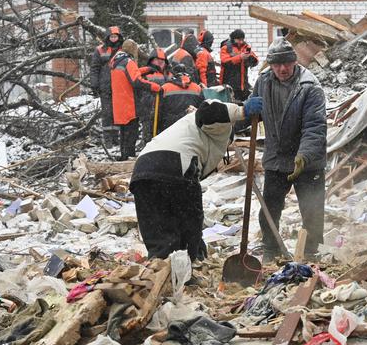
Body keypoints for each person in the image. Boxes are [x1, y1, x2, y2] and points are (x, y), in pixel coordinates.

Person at [130, 98, 263, 260]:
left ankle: (162, 271)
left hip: (142, 172)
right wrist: (242, 111)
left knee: (159, 234)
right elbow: (207, 113)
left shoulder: (186, 128)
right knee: (188, 226)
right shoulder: (215, 121)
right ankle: (189, 266)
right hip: (176, 167)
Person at [250, 39, 327, 262]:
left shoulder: (309, 87)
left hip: (307, 159)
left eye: (287, 63)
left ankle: (310, 252)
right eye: (277, 65)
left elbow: (314, 127)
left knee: (311, 208)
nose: (283, 69)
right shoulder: (264, 81)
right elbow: (253, 110)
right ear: (271, 65)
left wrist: (303, 156)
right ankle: (270, 249)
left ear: (294, 62)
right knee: (269, 207)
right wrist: (244, 112)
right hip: (276, 157)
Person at [90, 26, 124, 146]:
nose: (114, 39)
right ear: (108, 37)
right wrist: (94, 84)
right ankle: (108, 139)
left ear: (119, 37)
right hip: (105, 86)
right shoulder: (100, 50)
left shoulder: (124, 49)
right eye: (112, 36)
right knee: (107, 113)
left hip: (120, 87)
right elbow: (94, 68)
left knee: (117, 112)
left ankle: (116, 138)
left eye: (116, 36)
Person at [109, 39, 141, 160]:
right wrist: (152, 86)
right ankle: (129, 158)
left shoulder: (116, 61)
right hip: (129, 103)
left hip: (119, 103)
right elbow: (136, 81)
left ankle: (124, 156)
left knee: (124, 134)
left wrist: (141, 71)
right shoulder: (128, 62)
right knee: (131, 134)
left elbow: (126, 75)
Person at [134, 48, 172, 144]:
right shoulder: (145, 72)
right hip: (148, 109)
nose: (160, 63)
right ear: (151, 60)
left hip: (164, 110)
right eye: (157, 60)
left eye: (162, 61)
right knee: (148, 135)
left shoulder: (169, 73)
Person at [159, 64, 204, 133]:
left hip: (169, 129)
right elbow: (202, 110)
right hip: (191, 129)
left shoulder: (165, 88)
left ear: (173, 74)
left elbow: (158, 113)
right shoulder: (197, 88)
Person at [220, 29, 259, 101]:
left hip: (243, 85)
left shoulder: (246, 47)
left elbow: (256, 61)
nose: (241, 42)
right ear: (233, 38)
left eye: (242, 39)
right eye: (239, 39)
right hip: (230, 84)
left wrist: (250, 57)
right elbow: (225, 62)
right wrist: (240, 57)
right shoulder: (226, 48)